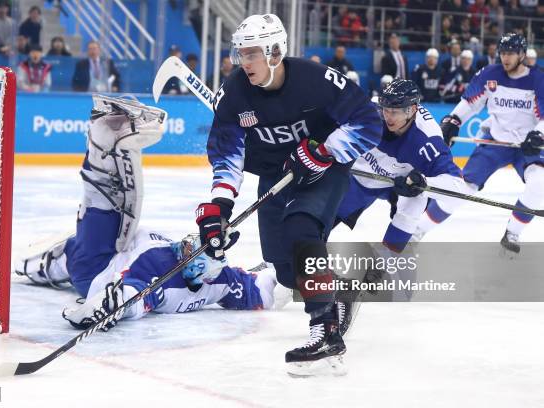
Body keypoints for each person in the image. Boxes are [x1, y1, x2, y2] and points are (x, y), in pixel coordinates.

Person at [197, 13, 382, 376]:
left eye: (251, 54)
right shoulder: (234, 93)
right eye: (240, 54)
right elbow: (227, 153)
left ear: (276, 51)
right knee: (285, 271)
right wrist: (219, 206)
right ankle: (339, 291)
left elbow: (368, 120)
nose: (242, 62)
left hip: (323, 171)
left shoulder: (316, 80)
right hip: (274, 176)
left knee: (301, 229)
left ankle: (325, 332)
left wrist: (324, 151)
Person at [15, 95, 288, 332]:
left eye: (192, 251)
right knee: (70, 252)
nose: (189, 244)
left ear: (194, 270)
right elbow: (260, 291)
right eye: (195, 243)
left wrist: (110, 306)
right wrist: (292, 274)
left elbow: (136, 296)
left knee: (103, 203)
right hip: (113, 253)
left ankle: (105, 141)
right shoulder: (220, 277)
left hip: (96, 266)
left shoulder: (162, 267)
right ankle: (40, 265)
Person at [429, 33, 544, 253]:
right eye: (502, 53)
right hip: (496, 142)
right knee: (462, 188)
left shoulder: (538, 80)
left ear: (522, 54)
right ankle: (416, 232)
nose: (505, 58)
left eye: (510, 53)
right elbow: (470, 104)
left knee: (540, 184)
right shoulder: (490, 74)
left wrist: (539, 134)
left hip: (526, 146)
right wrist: (453, 120)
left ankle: (513, 232)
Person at [335, 79, 467, 254]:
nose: (387, 116)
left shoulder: (427, 140)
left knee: (417, 198)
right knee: (322, 216)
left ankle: (385, 260)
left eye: (394, 112)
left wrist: (423, 183)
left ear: (412, 110)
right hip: (362, 175)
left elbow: (458, 188)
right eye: (385, 110)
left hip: (399, 183)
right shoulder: (369, 112)